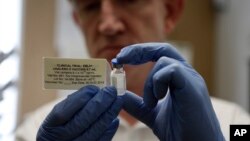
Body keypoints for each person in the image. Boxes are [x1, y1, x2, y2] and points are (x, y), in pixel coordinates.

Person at [16, 0, 250, 141]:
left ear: (170, 13)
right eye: (90, 5)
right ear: (79, 21)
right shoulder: (35, 128)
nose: (107, 25)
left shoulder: (236, 122)